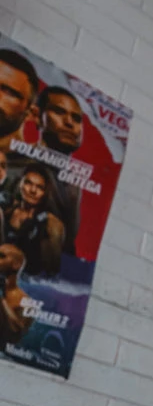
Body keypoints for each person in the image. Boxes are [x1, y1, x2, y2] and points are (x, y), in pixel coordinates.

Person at [35, 85, 85, 253]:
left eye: (77, 119)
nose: (69, 123)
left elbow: (68, 244)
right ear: (38, 117)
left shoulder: (74, 184)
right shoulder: (16, 162)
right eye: (58, 112)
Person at [6, 165, 64, 279]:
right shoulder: (7, 210)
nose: (33, 190)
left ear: (45, 192)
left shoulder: (50, 223)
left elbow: (52, 270)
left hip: (28, 281)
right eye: (28, 183)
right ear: (20, 184)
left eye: (40, 187)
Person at [0, 243, 31, 346]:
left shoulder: (25, 301)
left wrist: (2, 298)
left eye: (2, 256)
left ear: (16, 264)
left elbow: (16, 333)